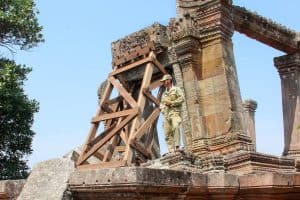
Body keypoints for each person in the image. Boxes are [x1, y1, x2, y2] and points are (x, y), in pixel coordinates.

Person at [159, 74, 185, 153]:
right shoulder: (164, 94)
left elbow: (182, 98)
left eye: (165, 81)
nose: (164, 83)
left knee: (175, 127)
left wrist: (172, 103)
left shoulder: (176, 89)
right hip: (167, 114)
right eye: (163, 81)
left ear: (169, 80)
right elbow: (161, 104)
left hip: (175, 113)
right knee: (167, 132)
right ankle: (171, 150)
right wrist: (163, 110)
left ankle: (177, 147)